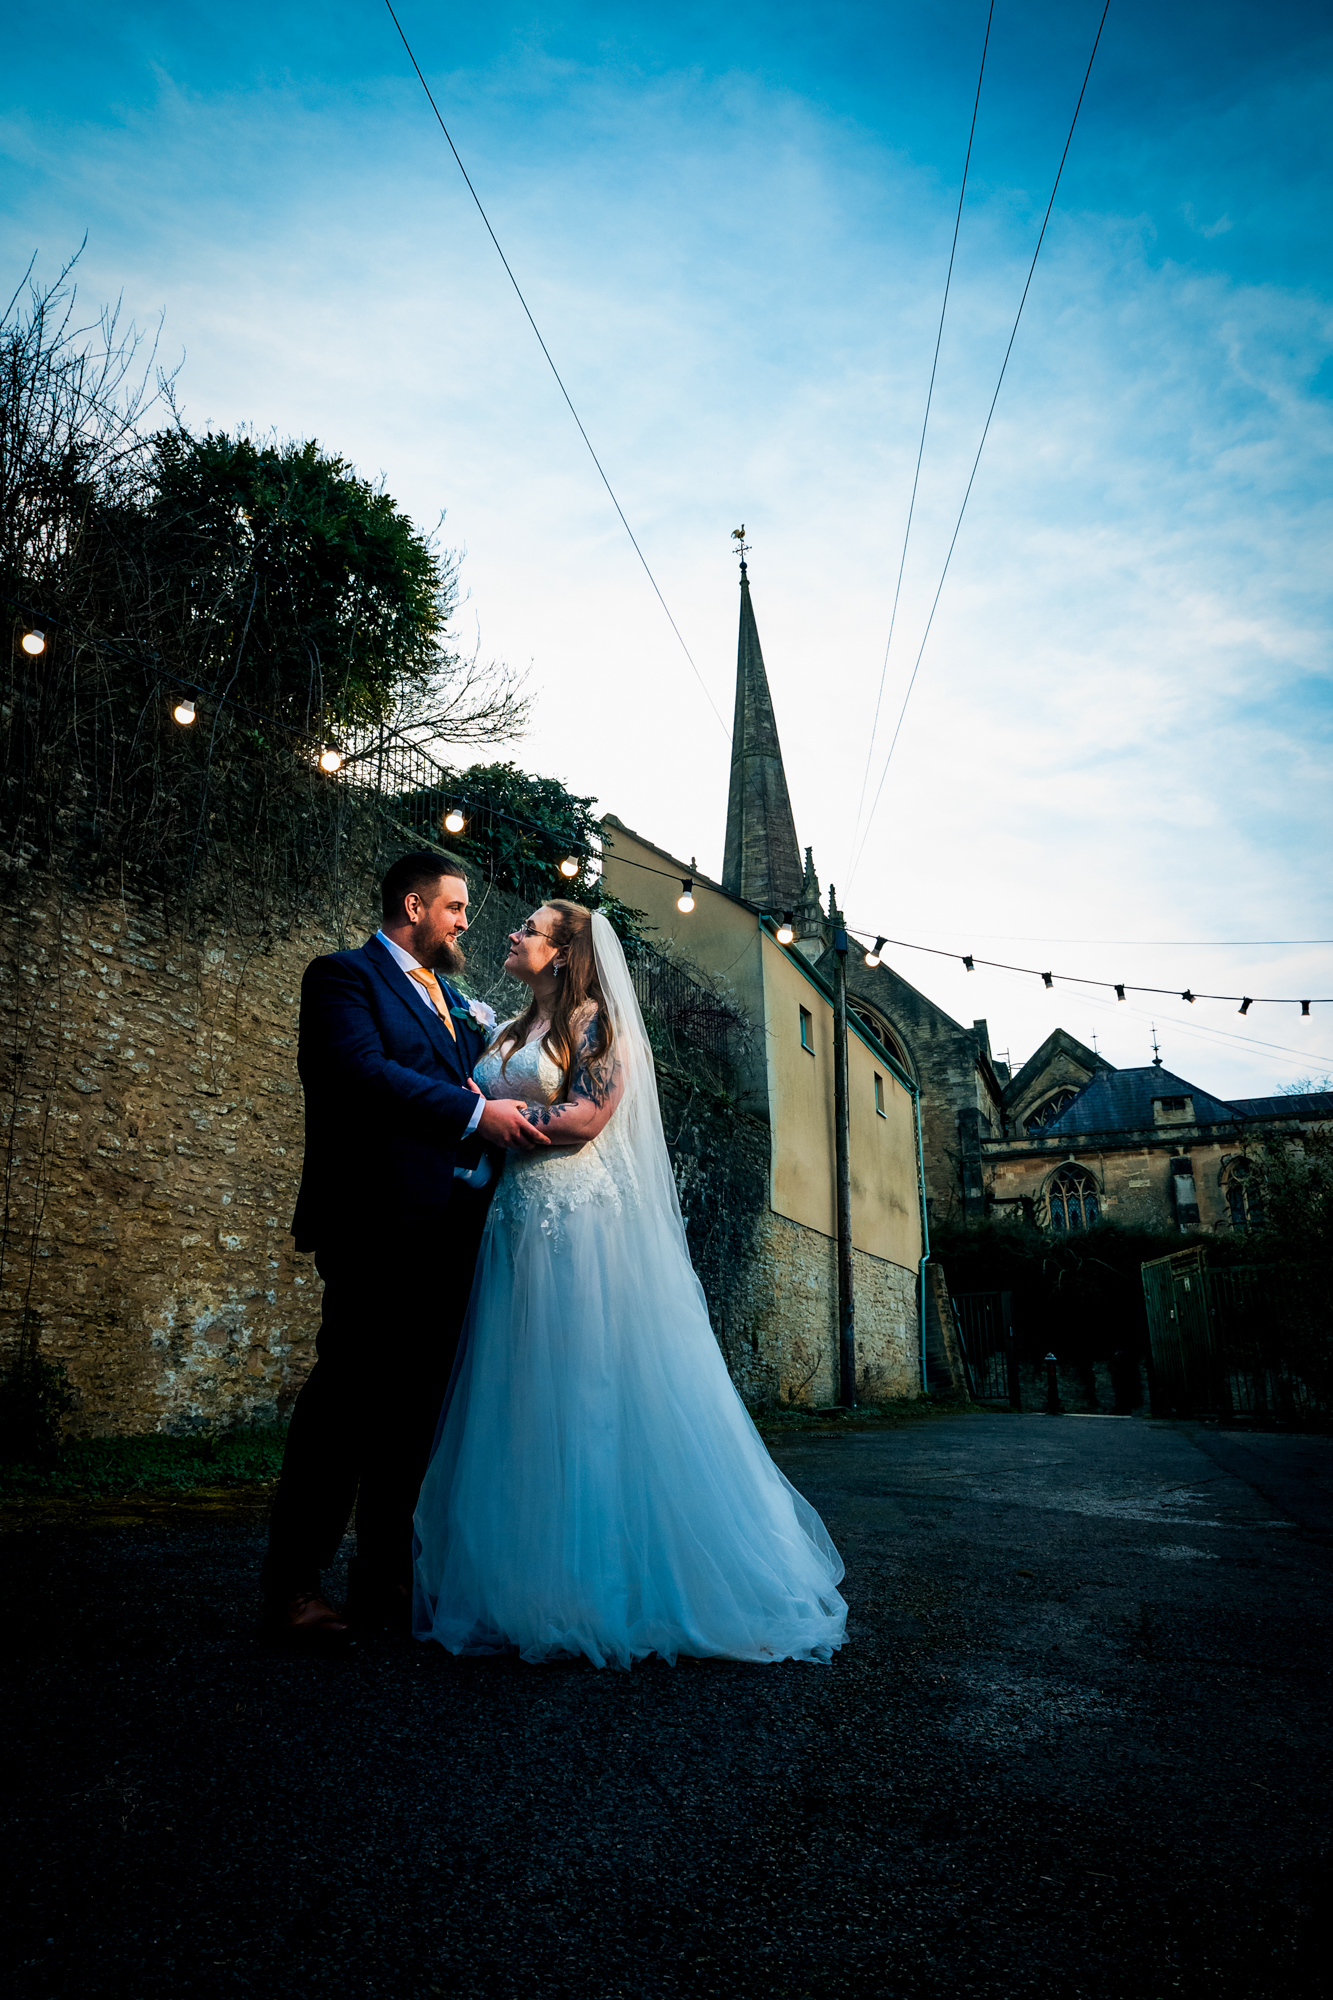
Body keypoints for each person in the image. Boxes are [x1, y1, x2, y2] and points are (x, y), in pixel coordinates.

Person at [413, 901, 848, 1667]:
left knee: (585, 1390)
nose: (511, 934)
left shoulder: (595, 1026)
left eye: (529, 928)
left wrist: (496, 1119)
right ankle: (524, 1585)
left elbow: (586, 1120)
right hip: (512, 1224)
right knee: (518, 1396)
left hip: (578, 1225)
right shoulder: (507, 1029)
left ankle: (600, 1588)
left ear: (563, 951)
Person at [261, 853, 549, 1646]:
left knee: (416, 1412)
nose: (465, 922)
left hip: (455, 1230)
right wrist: (473, 1117)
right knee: (344, 1404)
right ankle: (291, 1588)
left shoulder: (458, 1003)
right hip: (375, 1221)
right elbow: (357, 1072)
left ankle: (385, 1578)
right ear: (414, 906)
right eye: (455, 908)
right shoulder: (343, 978)